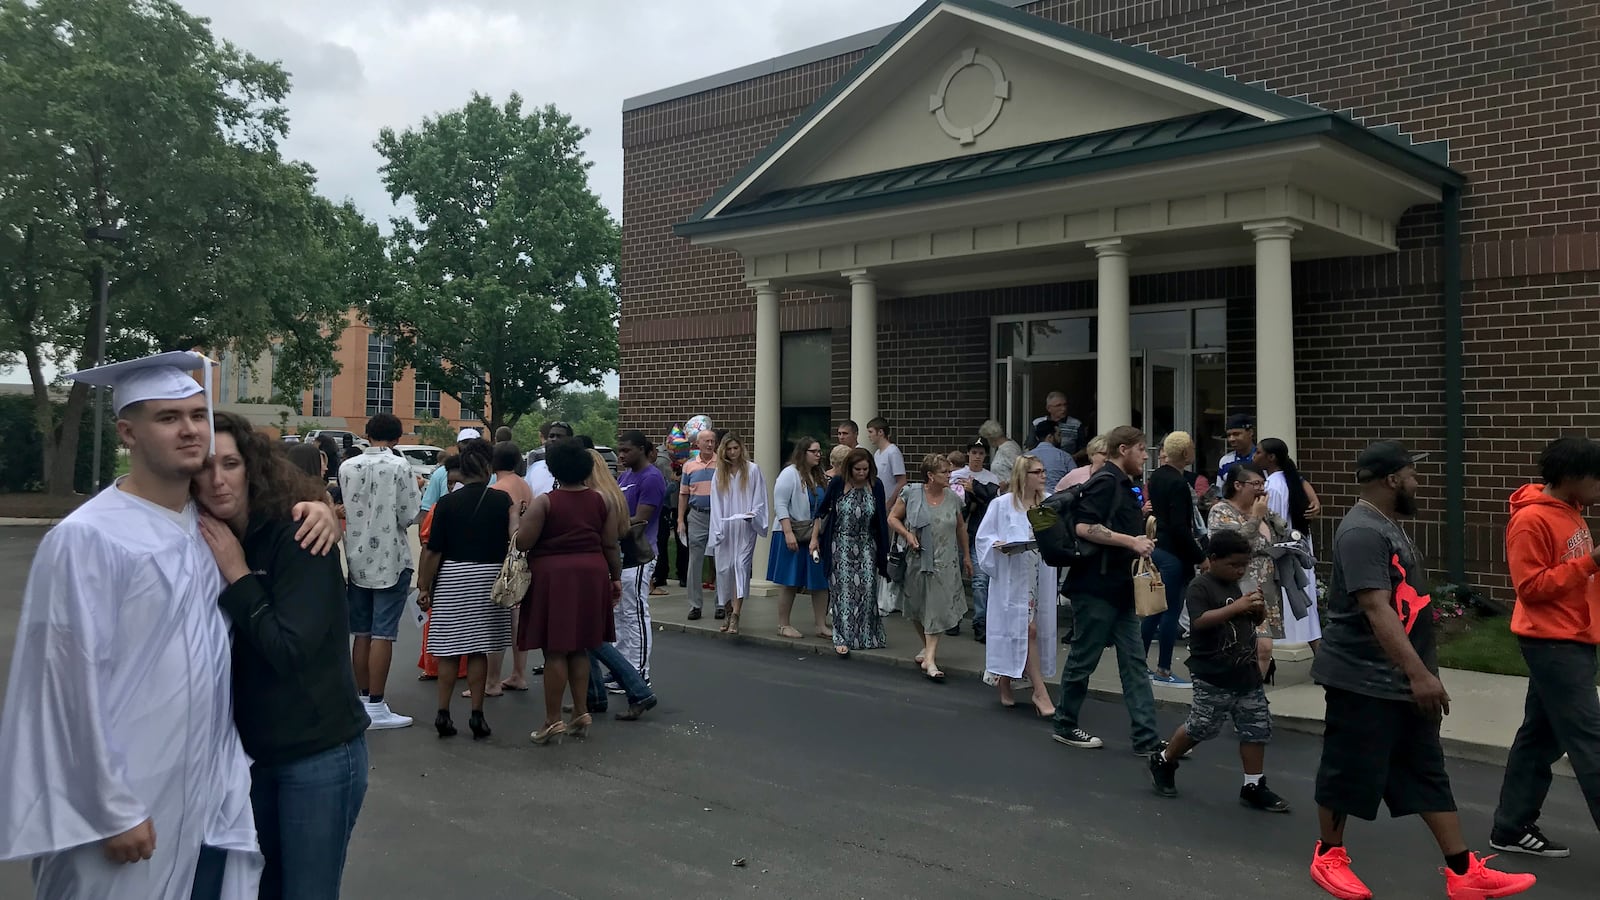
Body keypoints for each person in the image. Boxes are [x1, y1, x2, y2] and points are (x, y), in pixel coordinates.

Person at [0, 351, 339, 900]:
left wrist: (320, 506)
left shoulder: (205, 525)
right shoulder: (88, 539)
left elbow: (278, 516)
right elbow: (65, 688)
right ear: (127, 433)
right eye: (167, 418)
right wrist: (108, 809)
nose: (190, 431)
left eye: (197, 415)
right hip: (127, 796)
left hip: (205, 792)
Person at [1308, 441, 1534, 900]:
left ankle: (1463, 871)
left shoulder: (1387, 525)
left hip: (1401, 678)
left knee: (1426, 771)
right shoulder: (1361, 532)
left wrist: (1419, 673)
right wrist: (1419, 674)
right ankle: (1328, 856)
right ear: (1392, 479)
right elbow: (1376, 609)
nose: (1418, 482)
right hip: (1362, 677)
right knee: (1348, 770)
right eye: (1412, 475)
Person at [195, 413, 370, 900]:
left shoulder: (297, 534)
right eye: (204, 466)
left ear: (252, 467)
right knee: (260, 889)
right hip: (244, 756)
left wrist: (239, 575)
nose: (217, 478)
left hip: (318, 753)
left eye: (230, 463)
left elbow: (290, 649)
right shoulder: (197, 536)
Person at [1490, 436, 1600, 856]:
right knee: (1590, 741)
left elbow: (1575, 577)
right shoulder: (1531, 521)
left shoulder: (1572, 511)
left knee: (1541, 738)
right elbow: (1531, 587)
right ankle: (1512, 825)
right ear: (1572, 477)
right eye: (1597, 478)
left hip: (1574, 636)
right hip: (1552, 642)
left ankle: (1510, 827)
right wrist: (1592, 562)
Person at [1147, 530, 1289, 811]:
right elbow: (1199, 621)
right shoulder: (1201, 586)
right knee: (1202, 726)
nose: (1239, 570)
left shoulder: (1239, 586)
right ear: (1213, 560)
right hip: (1212, 671)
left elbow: (1251, 619)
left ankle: (1253, 784)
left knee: (1256, 726)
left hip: (1245, 670)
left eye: (1244, 565)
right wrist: (1237, 606)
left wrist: (1256, 609)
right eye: (1233, 564)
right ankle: (1165, 759)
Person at [1050, 426, 1162, 753]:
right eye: (1141, 449)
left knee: (1135, 665)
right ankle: (1065, 724)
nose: (1145, 455)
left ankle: (1146, 738)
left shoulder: (1125, 485)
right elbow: (1084, 527)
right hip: (1095, 588)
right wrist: (1133, 541)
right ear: (1123, 449)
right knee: (1084, 660)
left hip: (1120, 588)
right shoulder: (1106, 481)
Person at [516, 440, 624, 744]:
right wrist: (614, 578)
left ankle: (552, 720)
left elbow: (523, 542)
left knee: (555, 649)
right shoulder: (603, 501)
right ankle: (580, 711)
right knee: (580, 646)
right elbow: (610, 544)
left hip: (554, 576)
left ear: (555, 469)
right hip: (592, 573)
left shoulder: (546, 502)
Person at [417, 439, 513, 740]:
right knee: (477, 649)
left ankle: (443, 713)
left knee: (448, 650)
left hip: (452, 576)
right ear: (486, 469)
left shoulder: (445, 504)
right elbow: (514, 538)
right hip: (488, 576)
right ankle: (477, 714)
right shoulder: (502, 501)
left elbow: (433, 551)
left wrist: (424, 586)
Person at [339, 412, 423, 730]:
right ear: (397, 438)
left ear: (367, 434)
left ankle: (361, 699)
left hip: (357, 558)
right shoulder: (400, 466)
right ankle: (377, 704)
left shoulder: (347, 466)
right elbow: (409, 514)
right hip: (391, 557)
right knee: (382, 633)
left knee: (361, 632)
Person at [976, 455, 1058, 713]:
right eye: (1037, 471)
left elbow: (1056, 534)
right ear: (1024, 475)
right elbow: (983, 538)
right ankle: (1040, 692)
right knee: (1026, 629)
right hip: (1012, 575)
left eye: (1044, 471)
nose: (1043, 476)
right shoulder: (1002, 505)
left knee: (1027, 629)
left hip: (1037, 574)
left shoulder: (1047, 502)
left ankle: (1006, 680)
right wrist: (998, 547)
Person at [891, 453, 972, 681]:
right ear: (930, 476)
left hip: (946, 562)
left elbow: (960, 528)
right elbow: (893, 518)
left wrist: (966, 556)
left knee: (937, 607)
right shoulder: (912, 493)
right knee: (917, 607)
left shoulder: (953, 498)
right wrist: (907, 534)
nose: (950, 475)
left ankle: (931, 660)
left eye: (949, 471)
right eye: (944, 472)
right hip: (917, 559)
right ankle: (927, 649)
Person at [1208, 464, 1291, 680]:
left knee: (1264, 647)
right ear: (1237, 485)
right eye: (1255, 484)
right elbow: (1231, 545)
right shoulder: (1221, 512)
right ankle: (1242, 692)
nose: (1261, 489)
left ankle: (1255, 695)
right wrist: (1255, 518)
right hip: (1238, 587)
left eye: (1263, 484)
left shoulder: (1264, 511)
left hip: (1265, 586)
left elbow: (1283, 534)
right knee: (1251, 645)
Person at [811, 448, 890, 657]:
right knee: (844, 590)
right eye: (857, 469)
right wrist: (814, 540)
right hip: (840, 542)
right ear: (850, 468)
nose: (861, 473)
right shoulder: (838, 483)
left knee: (867, 588)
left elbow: (881, 518)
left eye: (865, 469)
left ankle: (865, 635)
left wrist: (883, 551)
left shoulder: (876, 485)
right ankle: (842, 637)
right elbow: (822, 510)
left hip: (866, 543)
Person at [1145, 431, 1205, 687]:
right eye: (1191, 448)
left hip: (1158, 547)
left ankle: (1137, 663)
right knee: (1168, 612)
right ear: (1185, 453)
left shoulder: (1156, 477)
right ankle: (1163, 669)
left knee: (1153, 611)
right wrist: (1200, 557)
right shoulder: (1179, 484)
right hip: (1173, 555)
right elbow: (1181, 528)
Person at [1255, 437, 1323, 648]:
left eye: (1258, 452)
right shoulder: (1291, 480)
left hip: (1282, 554)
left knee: (1285, 601)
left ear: (1271, 457)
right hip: (1299, 548)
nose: (1254, 456)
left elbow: (1271, 523)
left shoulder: (1272, 487)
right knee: (1306, 604)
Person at [483, 441, 535, 695]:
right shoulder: (525, 485)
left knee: (496, 618)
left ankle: (491, 680)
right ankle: (518, 674)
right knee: (517, 617)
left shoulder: (497, 489)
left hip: (502, 556)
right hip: (524, 553)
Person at [616, 431, 667, 682]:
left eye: (626, 450)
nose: (621, 455)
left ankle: (639, 674)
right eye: (620, 450)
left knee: (635, 613)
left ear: (640, 449)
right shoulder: (625, 476)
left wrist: (611, 525)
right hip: (622, 556)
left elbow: (641, 519)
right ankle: (621, 671)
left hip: (641, 555)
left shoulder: (652, 477)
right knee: (620, 615)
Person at [768, 437, 831, 639]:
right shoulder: (789, 474)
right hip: (792, 532)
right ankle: (783, 624)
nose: (819, 455)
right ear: (803, 453)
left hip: (814, 534)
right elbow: (780, 504)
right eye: (814, 451)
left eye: (820, 451)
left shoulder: (819, 475)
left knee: (820, 580)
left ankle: (821, 625)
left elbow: (822, 507)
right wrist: (788, 533)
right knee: (790, 580)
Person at [706, 433, 768, 635]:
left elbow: (759, 499)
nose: (733, 453)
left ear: (741, 448)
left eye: (736, 448)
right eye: (729, 449)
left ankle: (736, 615)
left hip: (744, 527)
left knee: (740, 566)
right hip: (725, 527)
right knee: (724, 568)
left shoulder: (752, 470)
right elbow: (716, 504)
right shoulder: (719, 474)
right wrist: (716, 530)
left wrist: (754, 515)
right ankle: (727, 609)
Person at [952, 439, 1000, 640]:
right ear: (968, 454)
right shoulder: (956, 476)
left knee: (980, 580)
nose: (977, 456)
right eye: (974, 452)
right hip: (956, 531)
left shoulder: (992, 478)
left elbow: (993, 502)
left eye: (981, 453)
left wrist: (976, 490)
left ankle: (980, 622)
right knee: (953, 577)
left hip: (980, 533)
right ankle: (952, 618)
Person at [678, 428, 720, 619]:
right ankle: (695, 605)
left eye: (712, 441)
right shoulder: (689, 466)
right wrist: (680, 520)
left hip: (718, 516)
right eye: (706, 441)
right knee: (695, 561)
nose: (710, 444)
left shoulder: (722, 464)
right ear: (698, 444)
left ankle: (721, 603)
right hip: (696, 515)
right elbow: (683, 494)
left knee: (720, 559)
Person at [867, 418, 907, 615]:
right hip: (878, 506)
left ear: (881, 432)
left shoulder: (893, 452)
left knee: (890, 550)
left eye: (871, 432)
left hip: (889, 508)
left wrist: (890, 502)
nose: (870, 436)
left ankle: (890, 596)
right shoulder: (876, 453)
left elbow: (901, 480)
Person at [650, 443, 678, 594]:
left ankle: (660, 574)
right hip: (660, 512)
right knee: (659, 543)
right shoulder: (654, 471)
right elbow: (661, 494)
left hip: (660, 512)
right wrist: (673, 483)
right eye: (654, 451)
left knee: (661, 543)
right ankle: (657, 576)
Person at [523, 420, 574, 497]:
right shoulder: (535, 467)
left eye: (559, 436)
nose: (554, 439)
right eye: (551, 436)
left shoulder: (577, 470)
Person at [1032, 390, 1085, 456]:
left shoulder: (1076, 424)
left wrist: (1073, 457)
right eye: (1058, 405)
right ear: (1049, 408)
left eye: (1065, 405)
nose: (1064, 408)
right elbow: (1030, 446)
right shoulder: (1037, 423)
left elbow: (1084, 448)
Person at [1215, 413, 1256, 496]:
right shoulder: (1225, 461)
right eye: (1228, 435)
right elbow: (1219, 493)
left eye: (1236, 434)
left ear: (1250, 432)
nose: (1231, 439)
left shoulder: (1262, 458)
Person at [1030, 418, 1075, 488]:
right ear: (1050, 437)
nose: (1061, 438)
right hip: (1059, 496)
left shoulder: (1026, 457)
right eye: (1059, 434)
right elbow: (1075, 480)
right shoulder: (1064, 456)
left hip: (1033, 496)